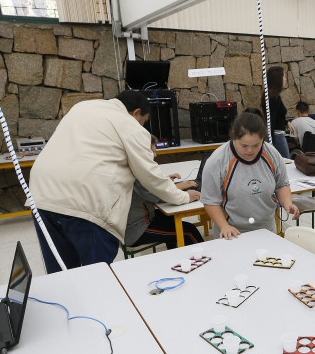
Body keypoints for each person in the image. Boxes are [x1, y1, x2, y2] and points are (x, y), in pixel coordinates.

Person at [28, 90, 199, 273]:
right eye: (144, 121)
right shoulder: (130, 125)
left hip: (42, 196)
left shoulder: (82, 108)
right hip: (86, 202)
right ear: (136, 113)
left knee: (61, 270)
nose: (143, 127)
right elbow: (150, 177)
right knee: (97, 273)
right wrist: (182, 197)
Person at [201, 111, 299, 239]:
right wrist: (224, 226)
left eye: (256, 145)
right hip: (232, 232)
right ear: (234, 137)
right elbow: (210, 201)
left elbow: (281, 185)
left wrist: (287, 203)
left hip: (266, 228)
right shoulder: (217, 161)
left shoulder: (272, 154)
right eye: (244, 145)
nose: (250, 150)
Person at [124, 136, 204, 250]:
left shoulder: (134, 166)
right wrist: (186, 194)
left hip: (140, 219)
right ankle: (204, 257)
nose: (155, 155)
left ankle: (177, 255)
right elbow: (162, 196)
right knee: (189, 231)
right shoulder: (138, 174)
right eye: (152, 152)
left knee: (172, 220)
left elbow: (154, 188)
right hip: (135, 229)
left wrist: (164, 181)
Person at [262, 66, 292, 158]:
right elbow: (270, 119)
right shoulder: (274, 98)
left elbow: (276, 116)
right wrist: (272, 143)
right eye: (284, 77)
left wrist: (286, 122)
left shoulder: (270, 96)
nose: (285, 79)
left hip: (275, 134)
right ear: (278, 80)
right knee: (286, 161)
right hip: (276, 135)